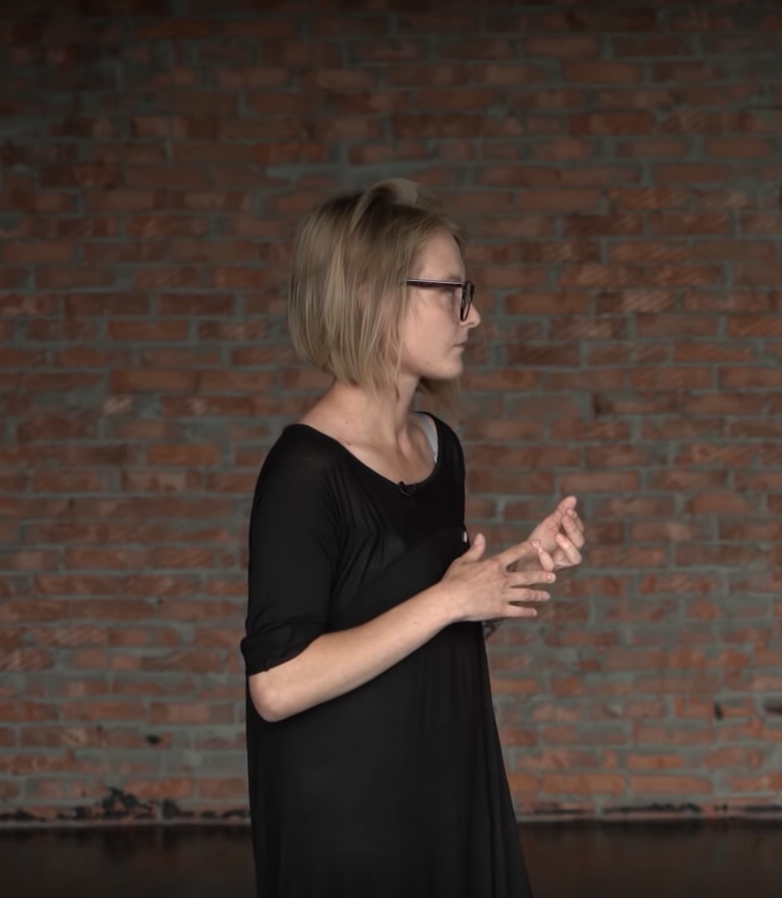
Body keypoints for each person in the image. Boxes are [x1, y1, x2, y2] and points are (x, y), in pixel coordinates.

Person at [241, 178, 586, 898]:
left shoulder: (438, 447)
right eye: (451, 292)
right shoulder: (303, 473)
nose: (473, 315)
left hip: (443, 791)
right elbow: (277, 684)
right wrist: (449, 601)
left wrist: (501, 582)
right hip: (349, 819)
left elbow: (407, 616)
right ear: (372, 297)